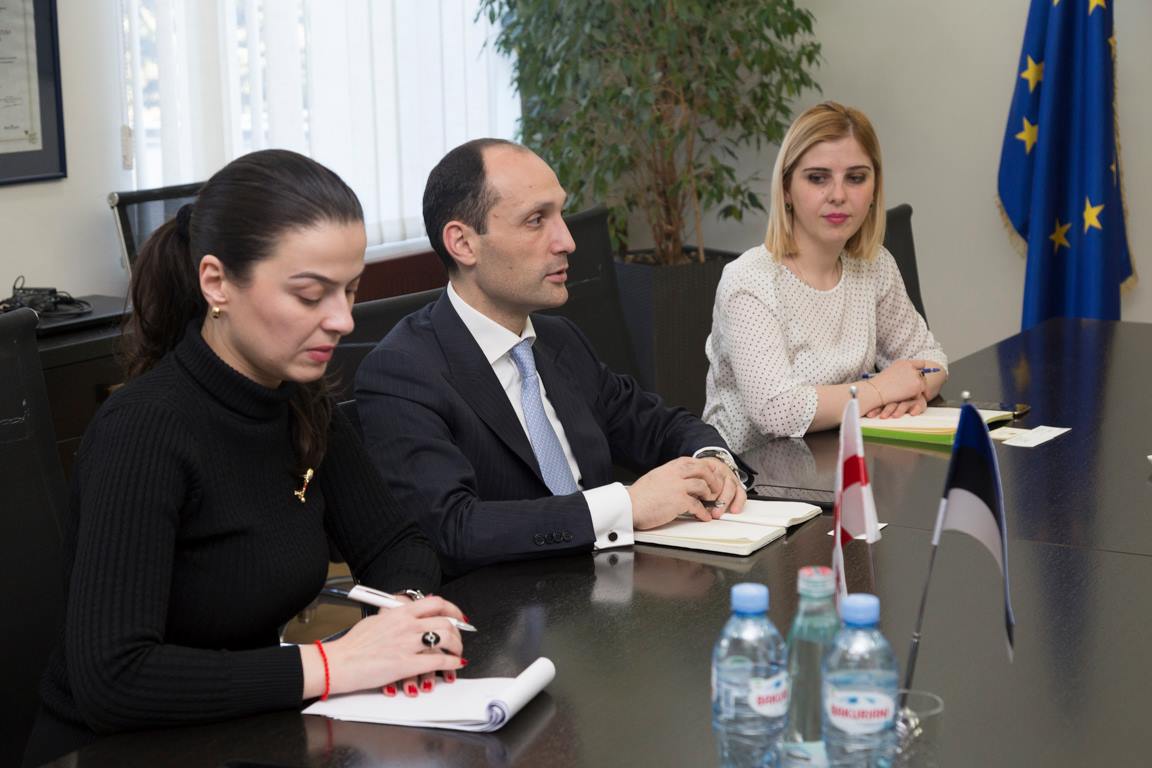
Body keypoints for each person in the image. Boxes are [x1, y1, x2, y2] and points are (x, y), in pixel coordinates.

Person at [23, 150, 466, 766]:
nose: (342, 320)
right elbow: (114, 679)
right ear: (216, 283)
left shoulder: (300, 402)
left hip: (245, 730)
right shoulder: (142, 430)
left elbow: (396, 544)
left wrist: (407, 616)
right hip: (116, 751)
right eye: (310, 295)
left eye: (350, 290)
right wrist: (332, 662)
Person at [355, 138, 747, 577]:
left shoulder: (559, 340)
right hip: (505, 608)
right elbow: (454, 528)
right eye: (536, 220)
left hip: (612, 584)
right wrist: (625, 505)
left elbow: (657, 425)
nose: (567, 241)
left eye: (561, 214)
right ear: (463, 243)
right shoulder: (403, 372)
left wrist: (712, 461)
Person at [703, 101, 948, 451]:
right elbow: (777, 411)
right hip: (753, 475)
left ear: (874, 189)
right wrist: (879, 390)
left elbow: (931, 357)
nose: (838, 195)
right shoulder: (749, 280)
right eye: (817, 178)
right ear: (786, 188)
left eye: (856, 178)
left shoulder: (874, 266)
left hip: (840, 458)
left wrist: (912, 389)